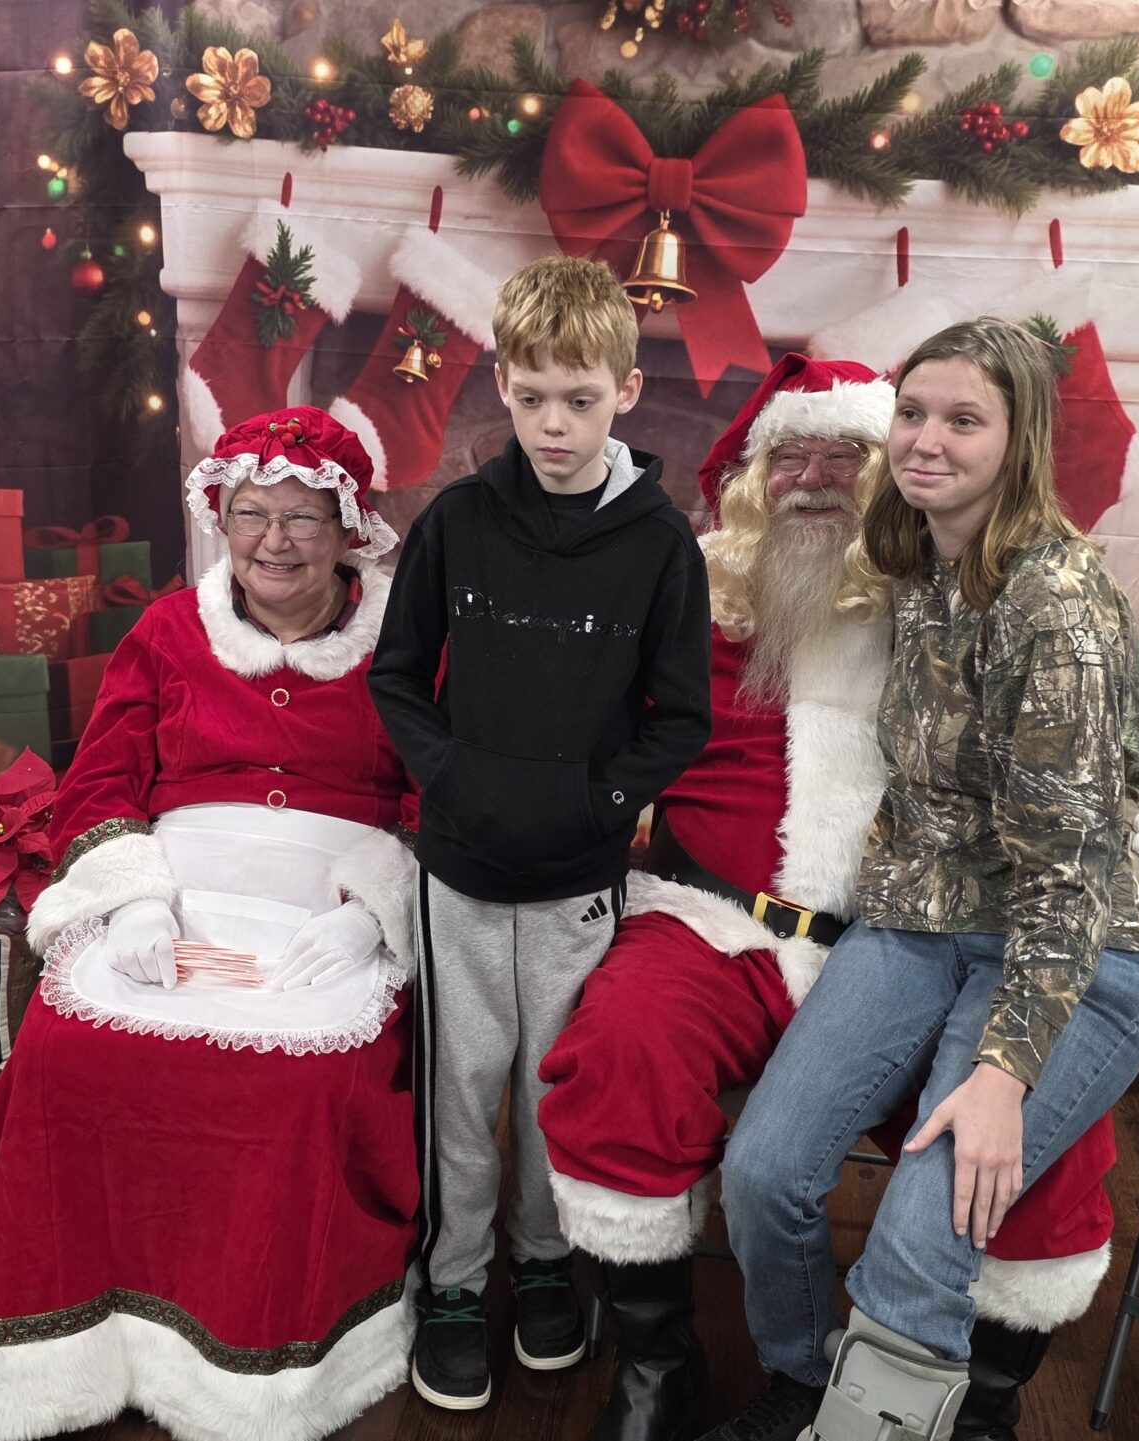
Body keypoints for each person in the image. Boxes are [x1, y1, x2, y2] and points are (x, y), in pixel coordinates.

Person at [534, 354, 1139, 1441]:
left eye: (842, 455)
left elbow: (1078, 774)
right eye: (789, 455)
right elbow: (566, 726)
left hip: (923, 932)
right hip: (718, 922)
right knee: (625, 1052)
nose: (813, 479)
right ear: (752, 480)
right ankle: (668, 1364)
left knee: (1020, 1154)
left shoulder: (975, 593)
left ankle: (976, 1402)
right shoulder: (690, 597)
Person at [699, 320, 1139, 1441]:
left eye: (963, 419)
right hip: (919, 918)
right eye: (913, 413)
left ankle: (877, 1424)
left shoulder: (1057, 605)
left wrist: (1004, 1074)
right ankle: (802, 1385)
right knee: (765, 1170)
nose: (925, 440)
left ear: (1020, 440)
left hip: (1074, 948)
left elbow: (1066, 878)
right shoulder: (910, 551)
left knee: (925, 1224)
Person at [0, 409, 422, 1441]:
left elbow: (438, 795)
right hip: (178, 885)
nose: (273, 541)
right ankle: (75, 1346)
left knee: (301, 1080)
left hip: (327, 907)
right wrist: (133, 898)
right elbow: (101, 779)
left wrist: (375, 910)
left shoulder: (408, 639)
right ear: (221, 515)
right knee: (71, 1047)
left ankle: (257, 1365)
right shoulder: (169, 631)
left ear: (349, 529)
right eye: (251, 514)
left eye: (302, 518)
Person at [369, 255, 715, 1411]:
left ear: (626, 390)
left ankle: (543, 1261)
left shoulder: (660, 546)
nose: (554, 424)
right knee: (461, 1091)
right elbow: (398, 676)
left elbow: (680, 718)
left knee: (546, 1092)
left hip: (578, 876)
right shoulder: (457, 522)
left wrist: (597, 801)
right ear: (502, 389)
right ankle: (455, 1282)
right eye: (531, 398)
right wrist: (454, 780)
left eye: (579, 398)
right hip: (460, 873)